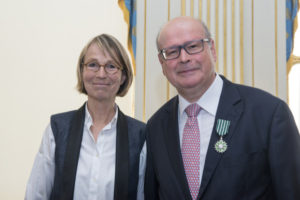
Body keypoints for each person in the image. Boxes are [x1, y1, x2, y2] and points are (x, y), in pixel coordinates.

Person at [145, 16, 300, 200]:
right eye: (171, 52)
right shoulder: (155, 127)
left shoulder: (269, 114)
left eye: (193, 46)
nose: (184, 58)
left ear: (212, 49)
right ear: (162, 63)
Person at [25, 34, 146, 200]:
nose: (101, 74)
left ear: (123, 76)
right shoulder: (57, 129)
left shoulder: (140, 136)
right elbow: (36, 195)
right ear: (82, 71)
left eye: (111, 66)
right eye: (93, 65)